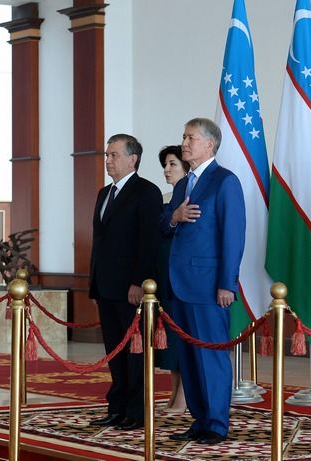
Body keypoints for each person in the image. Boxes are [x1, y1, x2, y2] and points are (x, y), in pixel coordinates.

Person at [160, 118, 245, 445]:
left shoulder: (225, 181)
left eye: (191, 138)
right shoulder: (184, 184)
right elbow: (162, 226)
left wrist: (227, 283)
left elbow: (233, 236)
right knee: (189, 357)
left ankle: (216, 424)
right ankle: (199, 419)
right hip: (179, 283)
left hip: (209, 286)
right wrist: (174, 217)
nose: (184, 143)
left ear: (210, 144)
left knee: (210, 356)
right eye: (184, 137)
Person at [88, 133, 163, 431]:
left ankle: (137, 411)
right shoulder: (103, 193)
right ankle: (117, 407)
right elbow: (101, 241)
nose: (108, 160)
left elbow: (149, 242)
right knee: (115, 352)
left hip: (131, 289)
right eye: (107, 155)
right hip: (105, 286)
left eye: (114, 155)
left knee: (135, 353)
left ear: (133, 159)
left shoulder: (147, 192)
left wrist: (138, 282)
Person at [156, 145, 189, 414]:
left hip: (185, 277)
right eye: (165, 165)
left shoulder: (192, 196)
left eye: (172, 164)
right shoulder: (166, 198)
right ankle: (174, 391)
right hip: (164, 276)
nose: (167, 170)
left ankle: (185, 396)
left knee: (184, 337)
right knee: (171, 339)